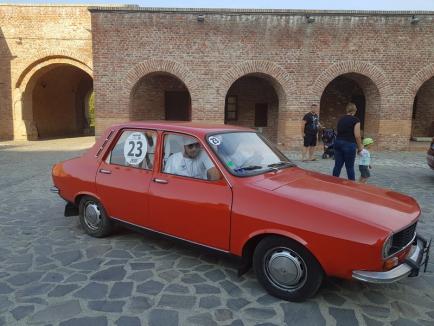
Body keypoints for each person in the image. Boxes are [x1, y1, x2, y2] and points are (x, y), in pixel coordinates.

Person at [332, 102, 364, 181]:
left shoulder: (341, 119)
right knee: (349, 167)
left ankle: (333, 182)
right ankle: (352, 186)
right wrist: (360, 147)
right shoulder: (356, 120)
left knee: (337, 165)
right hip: (349, 144)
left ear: (347, 110)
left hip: (338, 142)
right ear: (355, 110)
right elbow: (357, 135)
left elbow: (339, 131)